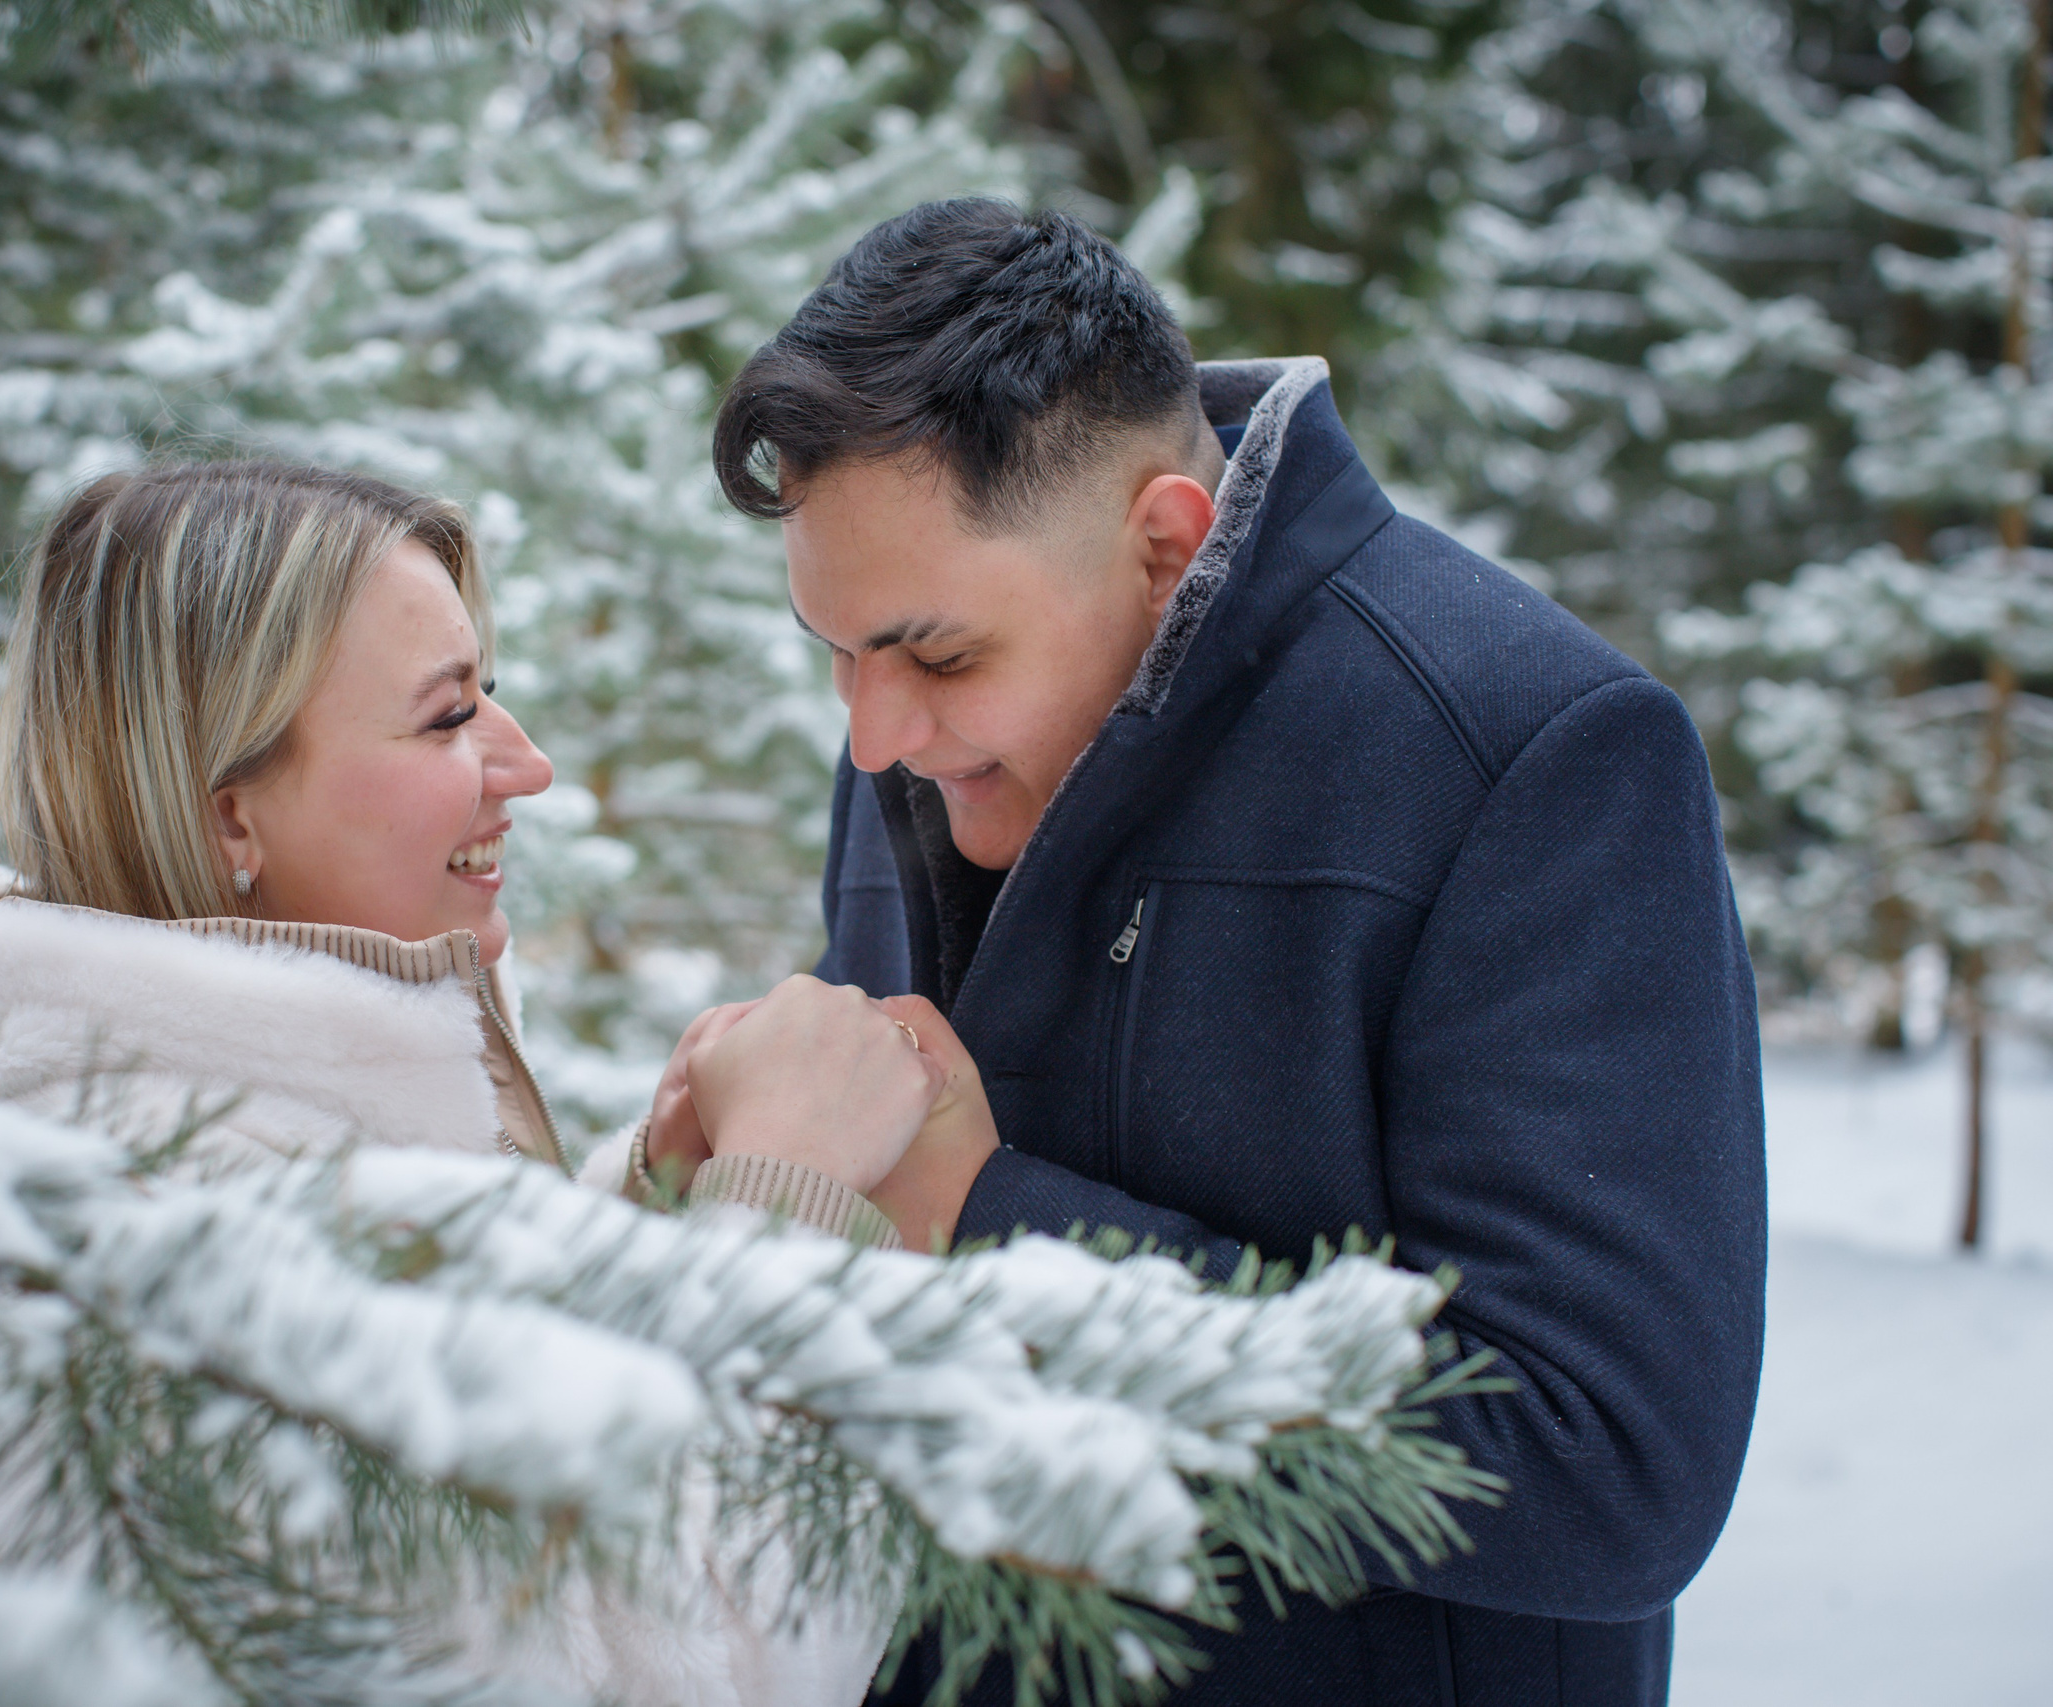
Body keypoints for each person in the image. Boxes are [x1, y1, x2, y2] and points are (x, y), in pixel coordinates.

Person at [696, 200, 1768, 1706]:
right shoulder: (920, 743)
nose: (873, 731)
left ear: (1163, 543)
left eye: (938, 653)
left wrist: (992, 1222)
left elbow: (1605, 1466)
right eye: (838, 651)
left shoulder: (1529, 753)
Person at [0, 460, 938, 1707]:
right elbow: (666, 1675)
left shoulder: (115, 1125)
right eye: (447, 717)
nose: (526, 764)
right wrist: (786, 1214)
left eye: (488, 695)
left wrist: (648, 1213)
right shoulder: (192, 1272)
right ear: (229, 821)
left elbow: (485, 1541)